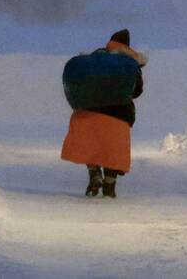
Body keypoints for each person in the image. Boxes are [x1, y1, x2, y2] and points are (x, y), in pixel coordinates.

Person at [60, 28, 147, 198]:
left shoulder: (93, 59)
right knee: (112, 149)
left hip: (87, 113)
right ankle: (109, 183)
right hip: (118, 115)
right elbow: (137, 91)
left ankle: (94, 174)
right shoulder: (129, 64)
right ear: (127, 46)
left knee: (91, 145)